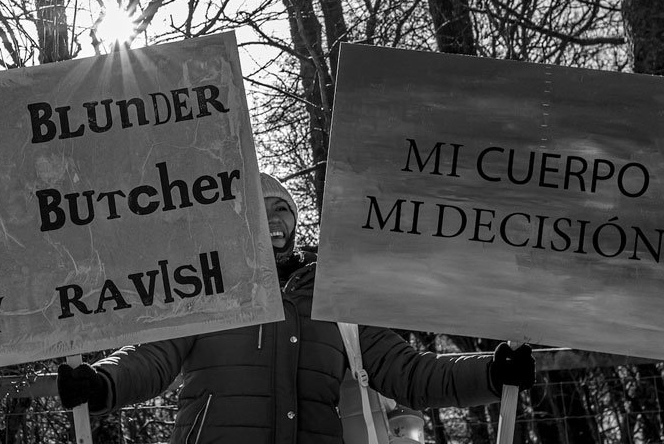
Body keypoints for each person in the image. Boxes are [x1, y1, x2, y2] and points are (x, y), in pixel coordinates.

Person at [58, 173, 535, 444]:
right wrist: (101, 382)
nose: (275, 219)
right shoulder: (211, 284)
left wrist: (492, 372)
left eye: (283, 208)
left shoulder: (336, 294)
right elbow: (153, 357)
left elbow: (408, 373)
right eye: (260, 209)